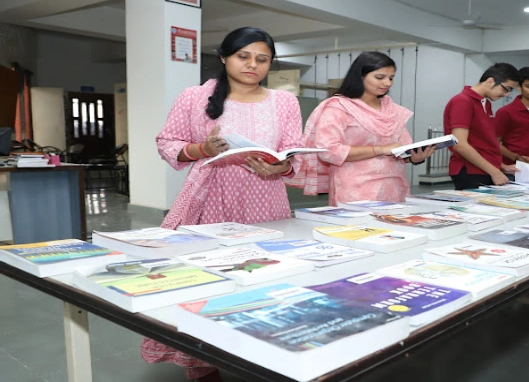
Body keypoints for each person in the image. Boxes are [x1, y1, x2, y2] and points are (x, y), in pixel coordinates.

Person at [144, 27, 303, 382]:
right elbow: (167, 142)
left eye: (262, 59)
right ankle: (203, 363)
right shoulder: (194, 97)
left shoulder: (285, 102)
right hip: (211, 195)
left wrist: (282, 166)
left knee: (265, 272)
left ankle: (265, 351)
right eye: (243, 56)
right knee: (211, 275)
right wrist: (202, 150)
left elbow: (295, 150)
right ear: (224, 58)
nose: (253, 65)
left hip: (266, 197)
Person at [290, 51, 434, 205]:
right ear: (360, 76)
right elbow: (328, 150)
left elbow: (400, 149)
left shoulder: (392, 110)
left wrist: (414, 158)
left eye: (391, 78)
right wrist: (379, 149)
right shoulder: (339, 107)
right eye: (380, 77)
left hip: (394, 187)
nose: (388, 83)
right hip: (355, 191)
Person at [443, 63, 519, 190]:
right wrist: (494, 171)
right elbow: (460, 144)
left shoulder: (485, 103)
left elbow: (482, 144)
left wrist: (501, 166)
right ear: (490, 81)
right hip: (471, 171)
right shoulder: (463, 101)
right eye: (506, 89)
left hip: (484, 170)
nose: (506, 95)